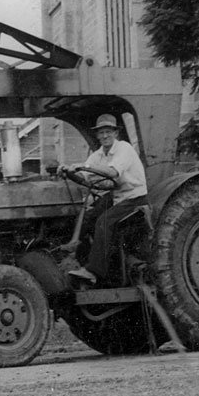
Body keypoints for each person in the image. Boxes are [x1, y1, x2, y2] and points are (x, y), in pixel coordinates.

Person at [58, 113, 148, 286]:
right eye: (101, 132)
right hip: (116, 196)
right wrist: (69, 172)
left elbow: (113, 172)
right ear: (97, 135)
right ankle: (81, 261)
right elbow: (84, 178)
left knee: (103, 222)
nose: (105, 136)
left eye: (108, 131)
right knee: (87, 217)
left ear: (115, 133)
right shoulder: (98, 155)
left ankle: (94, 271)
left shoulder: (124, 148)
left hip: (134, 197)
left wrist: (85, 166)